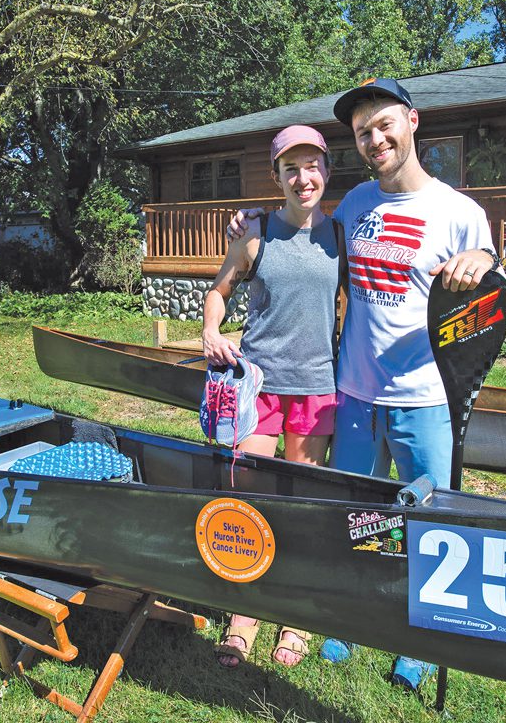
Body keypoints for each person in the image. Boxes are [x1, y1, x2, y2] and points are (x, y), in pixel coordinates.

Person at [227, 79, 499, 690]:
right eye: (362, 132)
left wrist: (484, 260)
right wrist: (246, 222)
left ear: (412, 122)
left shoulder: (459, 212)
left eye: (384, 125)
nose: (375, 139)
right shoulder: (353, 207)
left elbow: (489, 279)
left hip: (426, 398)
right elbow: (298, 235)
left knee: (431, 520)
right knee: (355, 514)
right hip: (351, 393)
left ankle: (423, 640)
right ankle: (346, 623)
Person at [202, 124, 340, 669]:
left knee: (303, 504)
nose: (303, 178)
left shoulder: (343, 236)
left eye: (312, 167)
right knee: (249, 499)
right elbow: (219, 290)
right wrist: (212, 331)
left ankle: (296, 618)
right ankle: (244, 615)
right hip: (258, 385)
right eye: (291, 169)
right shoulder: (255, 234)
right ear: (277, 176)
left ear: (326, 171)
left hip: (316, 388)